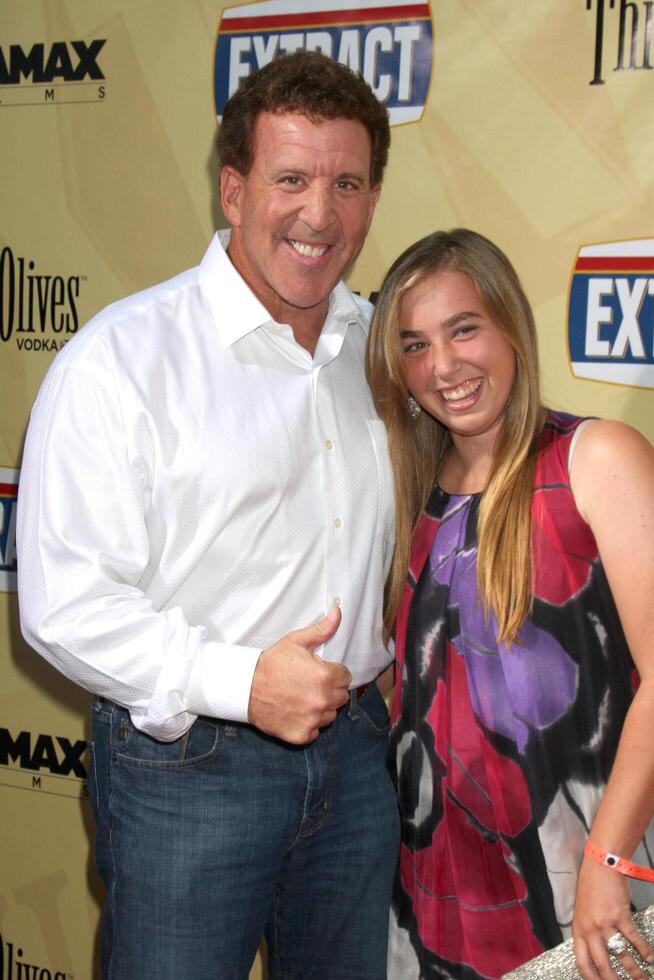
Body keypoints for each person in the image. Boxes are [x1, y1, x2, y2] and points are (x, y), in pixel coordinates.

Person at [17, 51, 399, 980]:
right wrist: (239, 682)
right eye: (291, 179)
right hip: (187, 765)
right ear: (232, 190)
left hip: (358, 758)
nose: (320, 213)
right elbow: (62, 605)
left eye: (347, 182)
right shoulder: (121, 361)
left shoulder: (384, 351)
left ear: (375, 197)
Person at [365, 228, 654, 980]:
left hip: (584, 886)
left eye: (464, 329)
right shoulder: (414, 497)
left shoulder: (593, 459)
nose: (445, 366)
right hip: (432, 904)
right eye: (416, 345)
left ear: (512, 327)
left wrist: (608, 858)